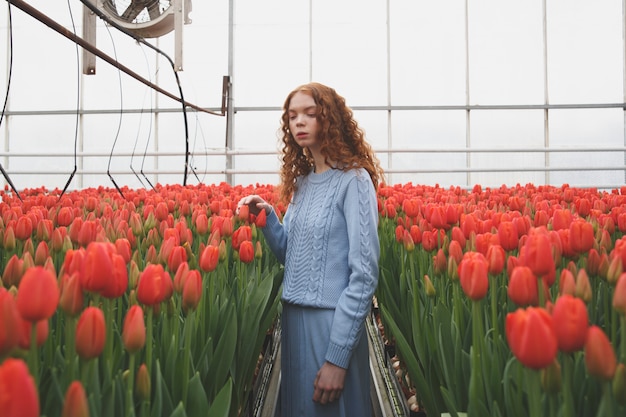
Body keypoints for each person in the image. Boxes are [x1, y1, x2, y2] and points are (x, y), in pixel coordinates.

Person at [238, 82, 383, 416]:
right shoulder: (303, 182)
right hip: (294, 321)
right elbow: (294, 257)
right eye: (292, 116)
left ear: (329, 119)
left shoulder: (354, 181)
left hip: (331, 324)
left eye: (309, 114)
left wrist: (337, 357)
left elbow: (363, 275)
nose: (298, 122)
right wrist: (269, 218)